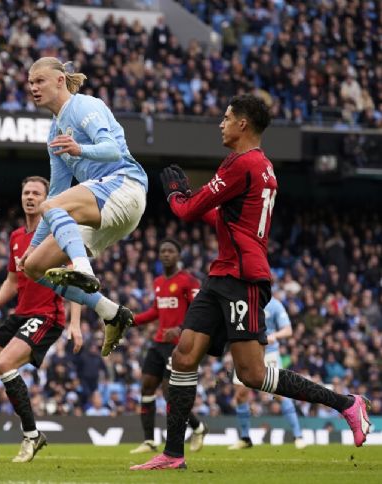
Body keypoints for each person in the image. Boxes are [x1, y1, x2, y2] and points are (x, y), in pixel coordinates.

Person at [131, 94, 370, 471]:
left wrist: (177, 195)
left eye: (226, 118)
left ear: (243, 124)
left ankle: (347, 404)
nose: (221, 124)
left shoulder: (243, 164)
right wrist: (192, 201)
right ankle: (173, 453)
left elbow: (190, 211)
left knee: (252, 374)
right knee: (184, 354)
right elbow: (227, 222)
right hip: (223, 274)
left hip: (243, 278)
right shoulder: (262, 166)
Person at [18, 57, 149, 357]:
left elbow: (113, 149)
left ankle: (83, 268)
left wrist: (81, 149)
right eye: (31, 83)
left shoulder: (84, 106)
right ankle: (112, 313)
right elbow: (58, 192)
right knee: (35, 266)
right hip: (102, 207)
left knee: (51, 207)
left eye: (39, 81)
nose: (33, 88)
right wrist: (33, 245)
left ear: (60, 81)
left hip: (124, 186)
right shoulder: (54, 134)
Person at [0, 176, 82, 464]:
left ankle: (33, 436)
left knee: (5, 364)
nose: (30, 197)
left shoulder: (58, 234)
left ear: (47, 199)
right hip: (20, 313)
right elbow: (13, 279)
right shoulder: (16, 237)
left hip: (48, 315)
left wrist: (75, 323)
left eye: (37, 193)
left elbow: (77, 278)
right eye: (26, 192)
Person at [129, 238, 208, 454]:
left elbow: (199, 310)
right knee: (146, 385)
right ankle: (149, 441)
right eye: (163, 251)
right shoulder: (158, 282)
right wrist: (131, 319)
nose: (166, 254)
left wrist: (182, 328)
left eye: (170, 251)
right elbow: (156, 311)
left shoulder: (189, 281)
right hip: (158, 342)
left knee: (169, 393)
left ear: (178, 255)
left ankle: (198, 427)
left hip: (178, 346)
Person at [229, 297, 306, 450]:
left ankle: (298, 436)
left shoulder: (274, 304)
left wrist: (275, 336)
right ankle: (245, 438)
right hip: (244, 353)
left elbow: (288, 330)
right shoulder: (242, 300)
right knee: (240, 395)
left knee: (279, 393)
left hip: (268, 352)